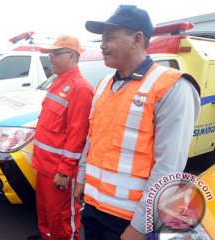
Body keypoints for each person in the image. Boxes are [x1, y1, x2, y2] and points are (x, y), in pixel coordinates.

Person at [74, 5, 201, 240]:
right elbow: (93, 140)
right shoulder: (103, 85)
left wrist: (141, 225)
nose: (102, 45)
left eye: (109, 38)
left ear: (137, 39)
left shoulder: (171, 87)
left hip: (128, 220)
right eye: (101, 39)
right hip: (93, 209)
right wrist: (81, 179)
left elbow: (169, 168)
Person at [30, 35, 94, 240]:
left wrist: (65, 171)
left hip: (60, 173)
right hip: (43, 167)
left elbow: (78, 137)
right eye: (50, 54)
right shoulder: (58, 83)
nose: (51, 58)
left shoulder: (80, 88)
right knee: (46, 216)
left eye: (56, 54)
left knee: (62, 221)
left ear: (73, 56)